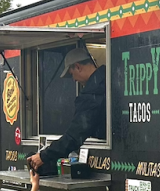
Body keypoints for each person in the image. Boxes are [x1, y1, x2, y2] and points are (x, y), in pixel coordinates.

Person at [26, 45, 107, 174]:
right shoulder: (111, 78)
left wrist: (44, 156)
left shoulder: (92, 94)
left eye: (72, 73)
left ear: (78, 66)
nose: (74, 79)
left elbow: (75, 136)